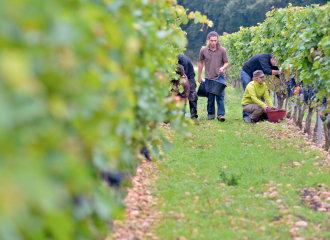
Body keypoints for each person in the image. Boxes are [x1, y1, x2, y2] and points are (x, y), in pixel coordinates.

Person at [198, 31, 229, 121]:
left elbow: (226, 62)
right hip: (208, 77)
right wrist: (199, 76)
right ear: (208, 40)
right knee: (210, 96)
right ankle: (210, 114)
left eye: (215, 40)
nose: (213, 42)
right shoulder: (203, 50)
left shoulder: (222, 50)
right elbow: (201, 63)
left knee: (220, 95)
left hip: (220, 76)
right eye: (211, 40)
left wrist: (223, 68)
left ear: (217, 40)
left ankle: (221, 115)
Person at [241, 53, 280, 120]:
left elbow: (267, 97)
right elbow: (267, 71)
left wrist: (271, 106)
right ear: (272, 59)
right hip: (247, 72)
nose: (277, 65)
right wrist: (281, 72)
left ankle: (258, 115)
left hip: (258, 77)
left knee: (261, 97)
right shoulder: (264, 57)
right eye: (277, 63)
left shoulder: (263, 84)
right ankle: (247, 117)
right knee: (249, 93)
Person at [177, 54, 198, 122]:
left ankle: (194, 116)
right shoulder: (172, 60)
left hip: (189, 77)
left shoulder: (183, 60)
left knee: (192, 96)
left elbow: (184, 73)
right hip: (179, 77)